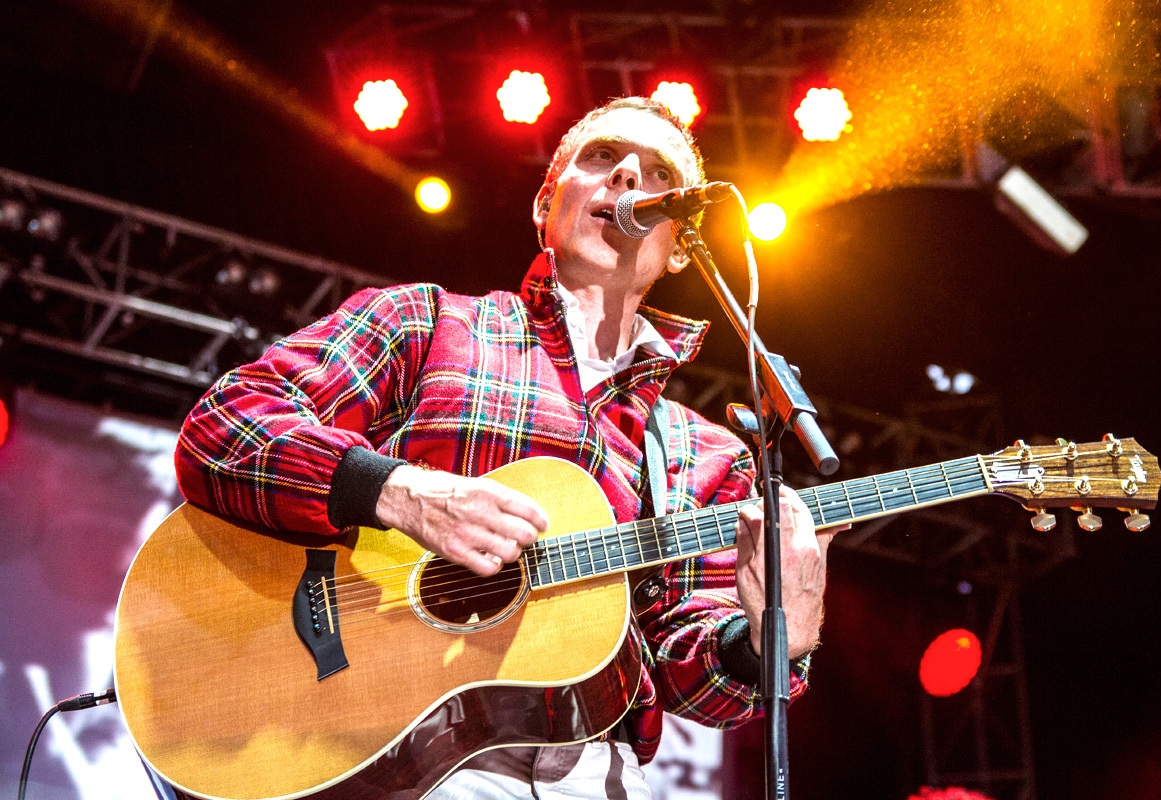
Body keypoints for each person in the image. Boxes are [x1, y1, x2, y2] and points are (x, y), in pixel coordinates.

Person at [172, 96, 839, 800]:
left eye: (656, 174)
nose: (626, 181)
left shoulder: (706, 456)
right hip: (393, 752)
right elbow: (228, 425)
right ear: (547, 203)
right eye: (603, 158)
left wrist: (771, 642)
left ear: (679, 245)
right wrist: (399, 490)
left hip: (594, 774)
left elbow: (688, 677)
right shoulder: (424, 324)